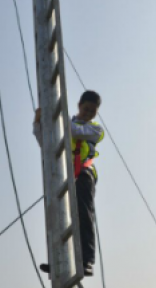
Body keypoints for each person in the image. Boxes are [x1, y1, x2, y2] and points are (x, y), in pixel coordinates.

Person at [32, 90, 104, 276]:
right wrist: (38, 122)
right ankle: (57, 260)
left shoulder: (95, 129)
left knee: (83, 214)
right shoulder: (64, 125)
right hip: (62, 175)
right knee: (58, 216)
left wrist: (54, 118)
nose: (88, 113)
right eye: (86, 108)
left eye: (93, 111)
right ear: (79, 105)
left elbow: (75, 131)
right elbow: (45, 142)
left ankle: (87, 260)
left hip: (83, 174)